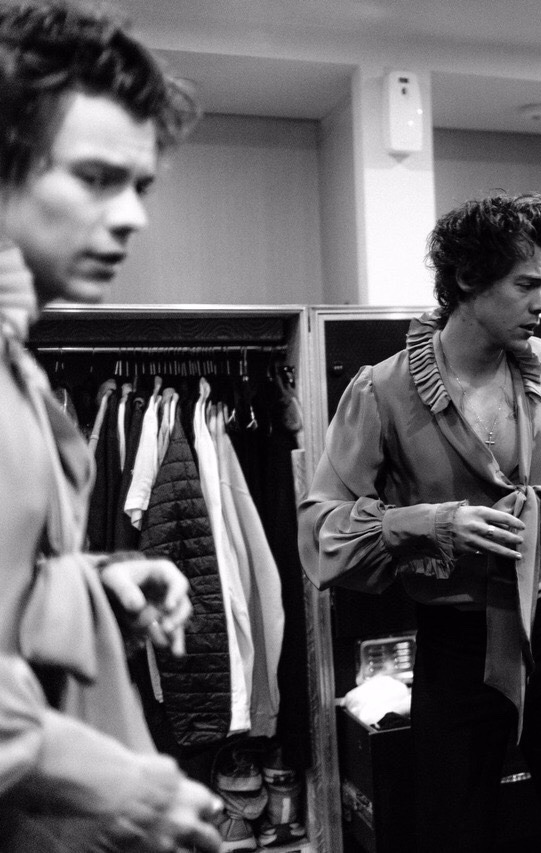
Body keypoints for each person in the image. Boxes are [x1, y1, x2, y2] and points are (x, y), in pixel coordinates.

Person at [300, 191, 541, 850]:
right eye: (527, 285)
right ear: (467, 279)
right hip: (456, 646)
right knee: (453, 836)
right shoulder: (382, 390)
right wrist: (429, 524)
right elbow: (320, 529)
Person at [0, 2, 223, 850]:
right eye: (96, 178)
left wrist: (95, 584)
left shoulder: (18, 367)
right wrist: (118, 784)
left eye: (140, 185)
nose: (133, 216)